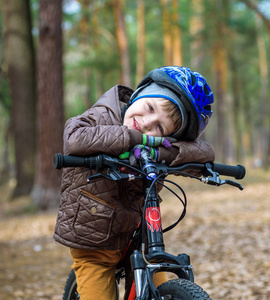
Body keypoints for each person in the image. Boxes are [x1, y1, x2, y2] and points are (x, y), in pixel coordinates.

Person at [54, 66, 215, 300]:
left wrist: (159, 153)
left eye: (159, 128)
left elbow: (205, 152)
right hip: (94, 243)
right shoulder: (102, 115)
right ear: (141, 92)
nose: (147, 122)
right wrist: (137, 140)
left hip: (138, 240)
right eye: (150, 108)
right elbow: (74, 139)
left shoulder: (157, 146)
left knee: (157, 284)